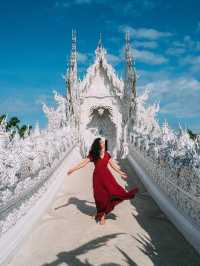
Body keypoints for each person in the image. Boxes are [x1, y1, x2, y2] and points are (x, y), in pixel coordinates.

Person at [67, 137, 139, 225]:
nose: (103, 143)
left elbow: (112, 165)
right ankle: (100, 213)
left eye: (104, 142)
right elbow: (83, 163)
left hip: (107, 177)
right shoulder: (94, 154)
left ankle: (103, 214)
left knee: (114, 192)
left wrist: (121, 172)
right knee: (99, 197)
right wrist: (73, 169)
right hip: (97, 178)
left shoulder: (107, 154)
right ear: (98, 144)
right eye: (101, 142)